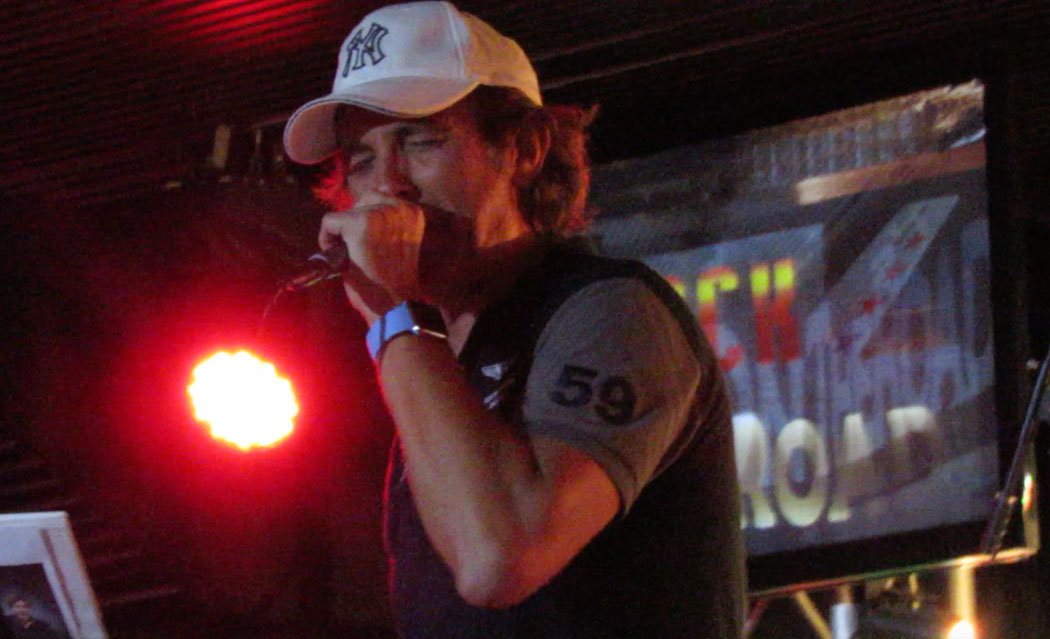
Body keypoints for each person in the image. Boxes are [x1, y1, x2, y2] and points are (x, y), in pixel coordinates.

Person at [282, 2, 745, 636]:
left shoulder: (611, 311)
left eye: (420, 140)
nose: (389, 185)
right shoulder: (435, 356)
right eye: (361, 160)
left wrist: (394, 314)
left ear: (524, 147)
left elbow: (498, 560)